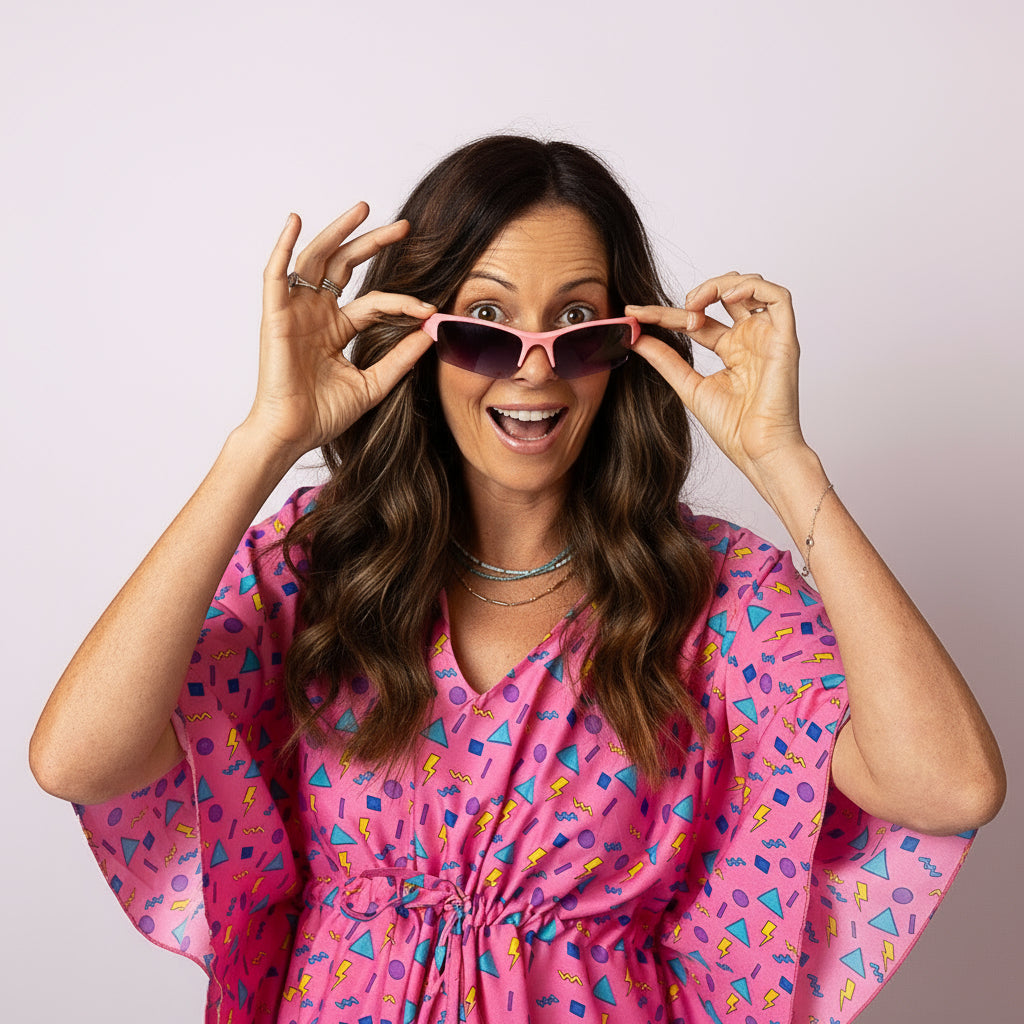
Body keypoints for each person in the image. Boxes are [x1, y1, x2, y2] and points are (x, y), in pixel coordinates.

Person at [31, 135, 1004, 1024]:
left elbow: (948, 784)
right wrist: (264, 440)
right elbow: (78, 759)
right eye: (485, 323)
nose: (533, 368)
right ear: (422, 334)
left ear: (628, 345)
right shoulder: (323, 571)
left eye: (577, 323)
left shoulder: (713, 598)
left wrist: (783, 460)